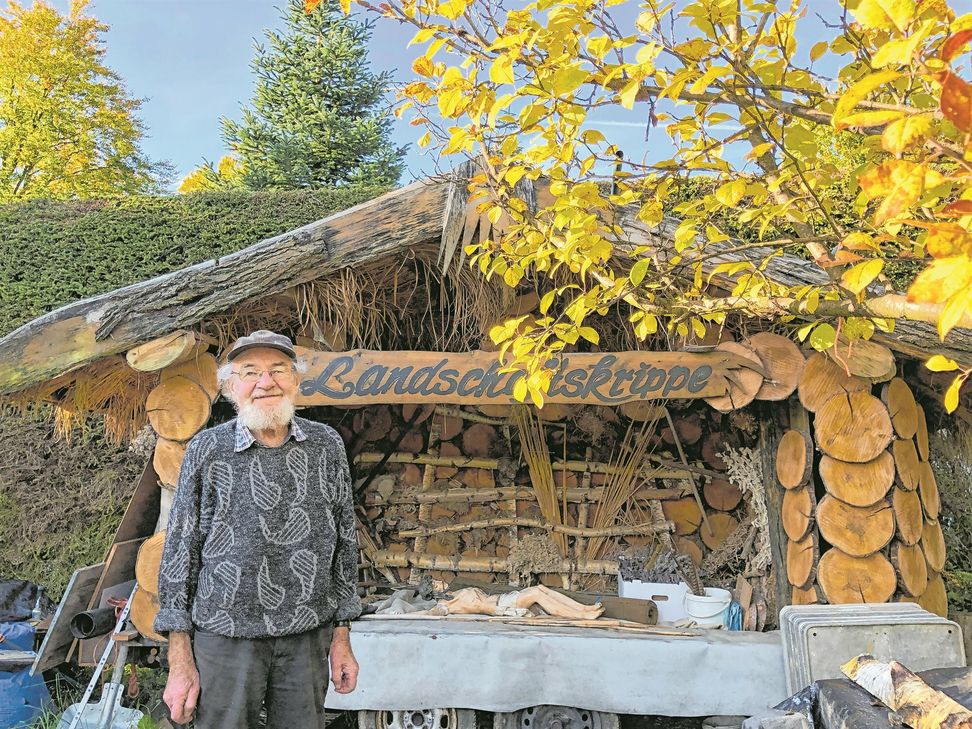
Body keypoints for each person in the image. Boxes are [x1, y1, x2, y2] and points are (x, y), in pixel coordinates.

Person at [153, 330, 361, 729]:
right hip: (225, 638)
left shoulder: (326, 445)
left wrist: (341, 637)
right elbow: (180, 550)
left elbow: (345, 545)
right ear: (231, 386)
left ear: (296, 380)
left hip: (307, 636)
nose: (266, 382)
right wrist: (179, 660)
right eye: (251, 372)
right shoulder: (207, 449)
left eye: (278, 370)